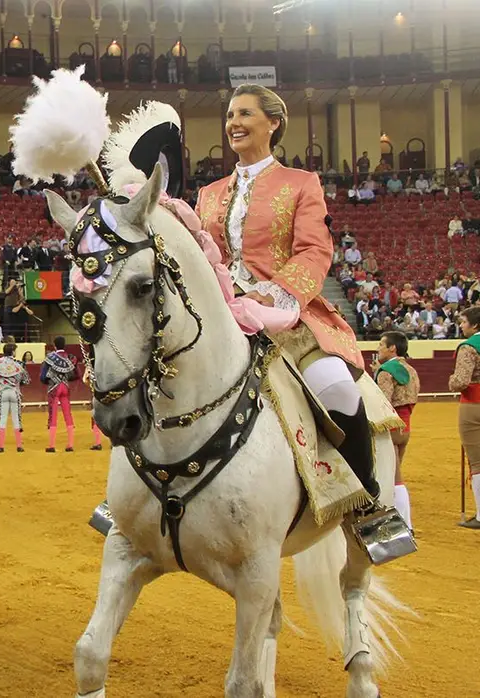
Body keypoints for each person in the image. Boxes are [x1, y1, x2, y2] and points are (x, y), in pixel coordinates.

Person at [194, 83, 403, 531]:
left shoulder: (300, 183)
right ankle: (139, 497)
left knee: (338, 389)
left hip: (288, 317)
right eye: (230, 114)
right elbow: (199, 253)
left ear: (273, 123)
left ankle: (369, 504)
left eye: (245, 114)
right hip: (219, 313)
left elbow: (313, 251)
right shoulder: (208, 194)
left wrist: (271, 293)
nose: (234, 123)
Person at [371, 331, 419, 530]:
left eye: (381, 345)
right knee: (392, 475)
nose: (378, 348)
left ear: (392, 348)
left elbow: (382, 403)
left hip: (388, 429)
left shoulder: (386, 372)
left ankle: (404, 524)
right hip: (404, 427)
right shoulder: (411, 369)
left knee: (392, 478)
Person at [449, 306, 480, 529]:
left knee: (478, 461)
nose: (460, 325)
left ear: (475, 325)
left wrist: (451, 380)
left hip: (474, 405)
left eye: (463, 321)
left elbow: (461, 381)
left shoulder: (469, 348)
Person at [0, 342, 29, 453]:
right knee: (16, 418)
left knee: (3, 418)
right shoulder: (18, 365)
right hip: (14, 392)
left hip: (3, 392)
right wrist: (17, 384)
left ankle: (1, 446)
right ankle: (19, 445)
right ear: (12, 352)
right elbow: (26, 380)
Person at [41, 336, 79, 452]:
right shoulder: (69, 358)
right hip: (65, 387)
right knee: (68, 415)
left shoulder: (50, 357)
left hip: (54, 387)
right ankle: (70, 445)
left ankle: (52, 445)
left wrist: (48, 381)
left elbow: (43, 376)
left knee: (53, 416)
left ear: (54, 345)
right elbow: (76, 374)